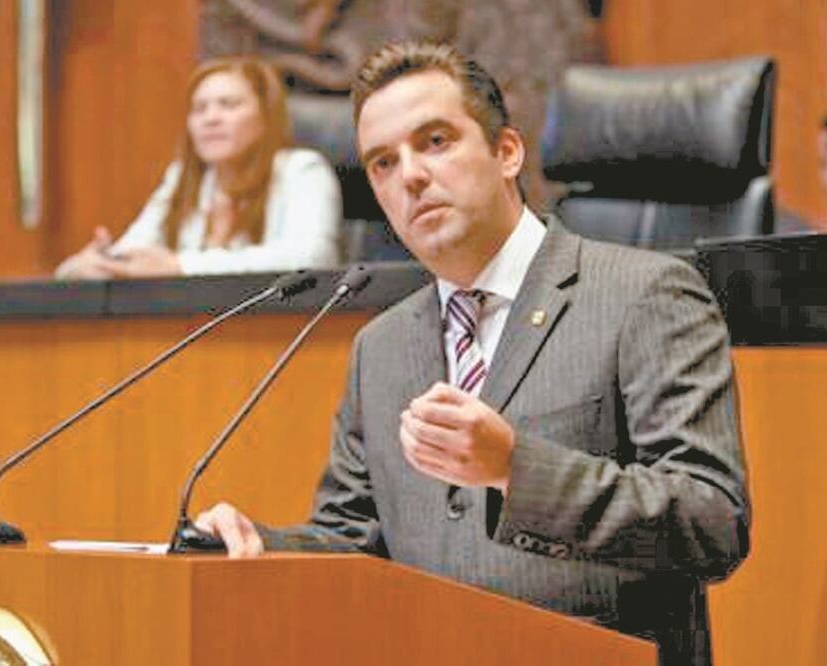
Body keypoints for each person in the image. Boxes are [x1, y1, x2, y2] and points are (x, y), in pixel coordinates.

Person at [195, 42, 749, 666]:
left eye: (435, 141)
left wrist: (516, 468)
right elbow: (355, 539)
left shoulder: (643, 294)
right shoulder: (381, 347)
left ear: (506, 152)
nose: (410, 175)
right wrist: (255, 547)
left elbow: (712, 523)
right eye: (382, 162)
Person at [55, 56, 342, 279]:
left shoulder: (302, 171)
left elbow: (312, 258)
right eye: (199, 108)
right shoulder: (184, 178)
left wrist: (181, 265)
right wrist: (93, 263)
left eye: (228, 105)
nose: (211, 118)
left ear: (265, 116)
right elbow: (136, 253)